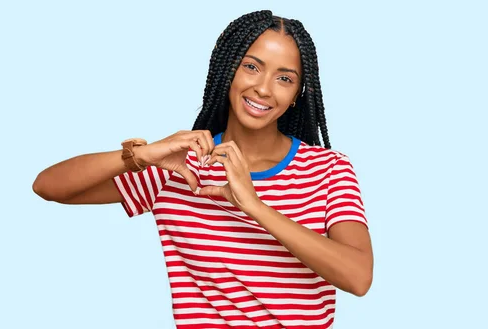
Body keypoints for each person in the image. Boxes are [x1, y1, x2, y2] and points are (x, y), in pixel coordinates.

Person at [33, 10, 373, 328]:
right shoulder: (181, 167)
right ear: (228, 70)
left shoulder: (328, 169)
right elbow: (48, 186)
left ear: (297, 93)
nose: (264, 88)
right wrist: (143, 154)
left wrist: (254, 206)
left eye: (284, 77)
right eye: (251, 67)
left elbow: (358, 278)